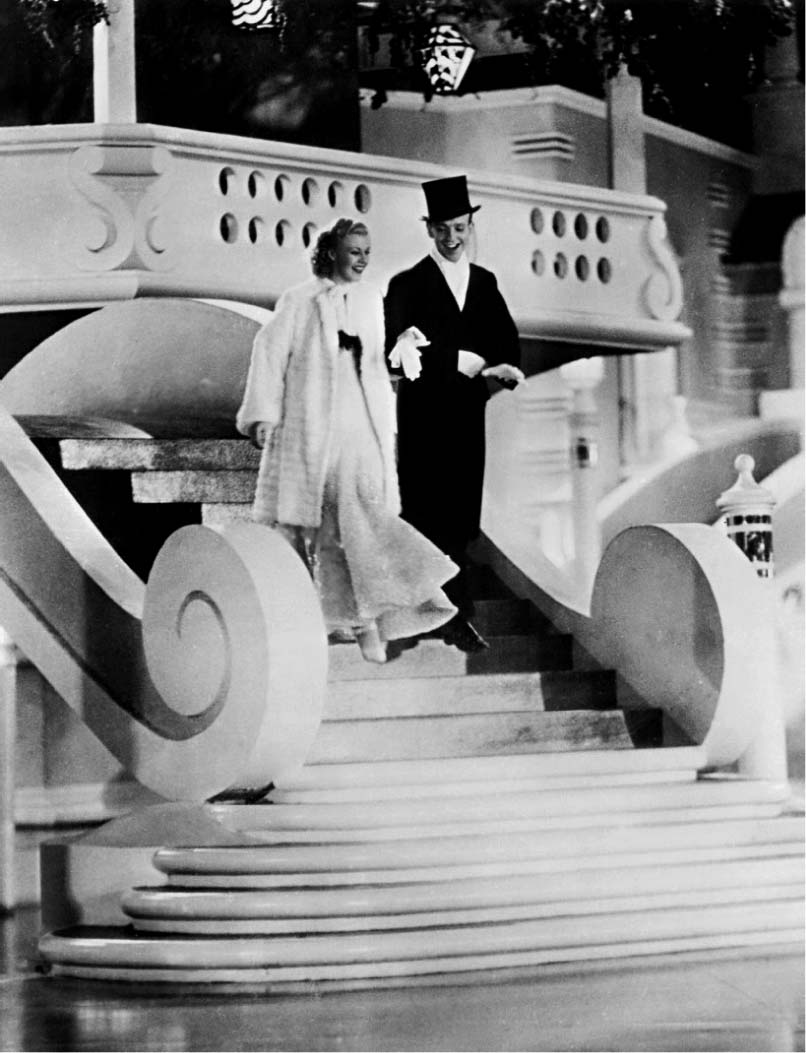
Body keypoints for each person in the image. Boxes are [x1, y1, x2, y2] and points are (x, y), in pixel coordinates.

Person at [236, 218, 457, 664]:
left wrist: (402, 347)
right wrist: (263, 415)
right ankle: (362, 624)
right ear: (332, 252)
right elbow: (269, 352)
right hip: (315, 426)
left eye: (367, 252)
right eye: (355, 251)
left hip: (364, 422)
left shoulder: (373, 298)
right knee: (331, 524)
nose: (362, 259)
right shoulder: (300, 300)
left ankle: (394, 605)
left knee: (365, 511)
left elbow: (382, 358)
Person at [384, 175, 524, 653]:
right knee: (425, 515)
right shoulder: (406, 285)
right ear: (429, 229)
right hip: (424, 419)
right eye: (442, 229)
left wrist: (496, 368)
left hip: (466, 417)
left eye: (459, 228)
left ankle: (454, 616)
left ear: (469, 227)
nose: (451, 237)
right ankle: (432, 617)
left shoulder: (484, 283)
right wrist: (455, 361)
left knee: (462, 518)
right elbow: (394, 353)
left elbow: (506, 343)